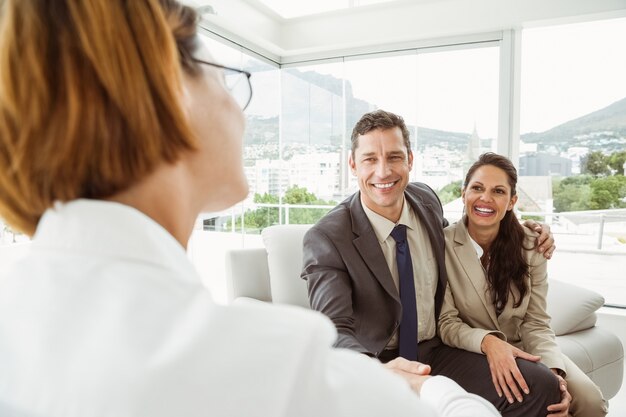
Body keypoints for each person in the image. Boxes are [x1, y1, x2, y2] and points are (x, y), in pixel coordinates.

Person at [0, 1, 501, 416]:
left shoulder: (18, 319)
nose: (240, 111)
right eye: (226, 77)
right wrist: (421, 391)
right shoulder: (271, 369)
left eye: (394, 157)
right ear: (165, 95)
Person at [302, 109, 564, 416]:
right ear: (352, 164)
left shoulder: (425, 199)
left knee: (541, 387)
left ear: (410, 160)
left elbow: (467, 234)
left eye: (395, 157)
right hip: (380, 361)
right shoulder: (327, 237)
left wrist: (525, 230)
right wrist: (380, 373)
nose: (384, 171)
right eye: (370, 159)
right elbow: (332, 331)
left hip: (437, 351)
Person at [438, 152, 608, 417]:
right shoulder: (442, 245)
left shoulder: (532, 245)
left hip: (528, 347)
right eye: (477, 188)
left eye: (498, 191)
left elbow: (537, 322)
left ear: (511, 201)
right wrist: (490, 343)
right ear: (464, 194)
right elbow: (446, 322)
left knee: (589, 402)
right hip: (475, 350)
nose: (485, 198)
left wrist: (554, 373)